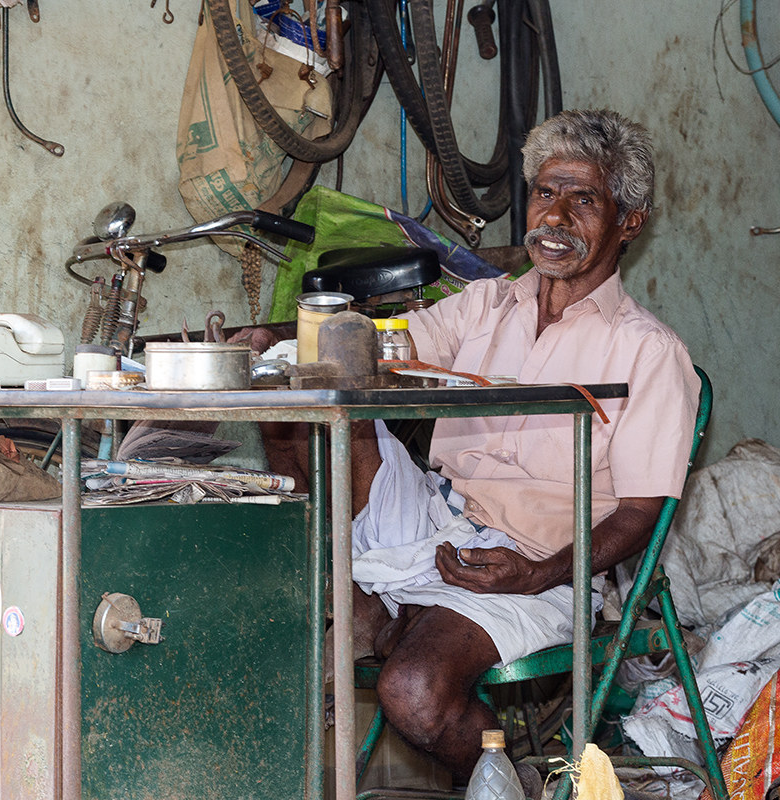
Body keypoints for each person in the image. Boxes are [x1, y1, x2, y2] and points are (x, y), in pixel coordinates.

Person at [241, 108, 699, 782]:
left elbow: (640, 514)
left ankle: (509, 780)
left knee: (414, 693)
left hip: (538, 565)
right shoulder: (486, 305)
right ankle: (362, 599)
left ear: (630, 222)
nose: (557, 217)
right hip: (432, 517)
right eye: (546, 193)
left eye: (585, 200)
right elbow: (378, 347)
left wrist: (539, 575)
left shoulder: (649, 353)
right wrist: (276, 341)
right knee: (293, 401)